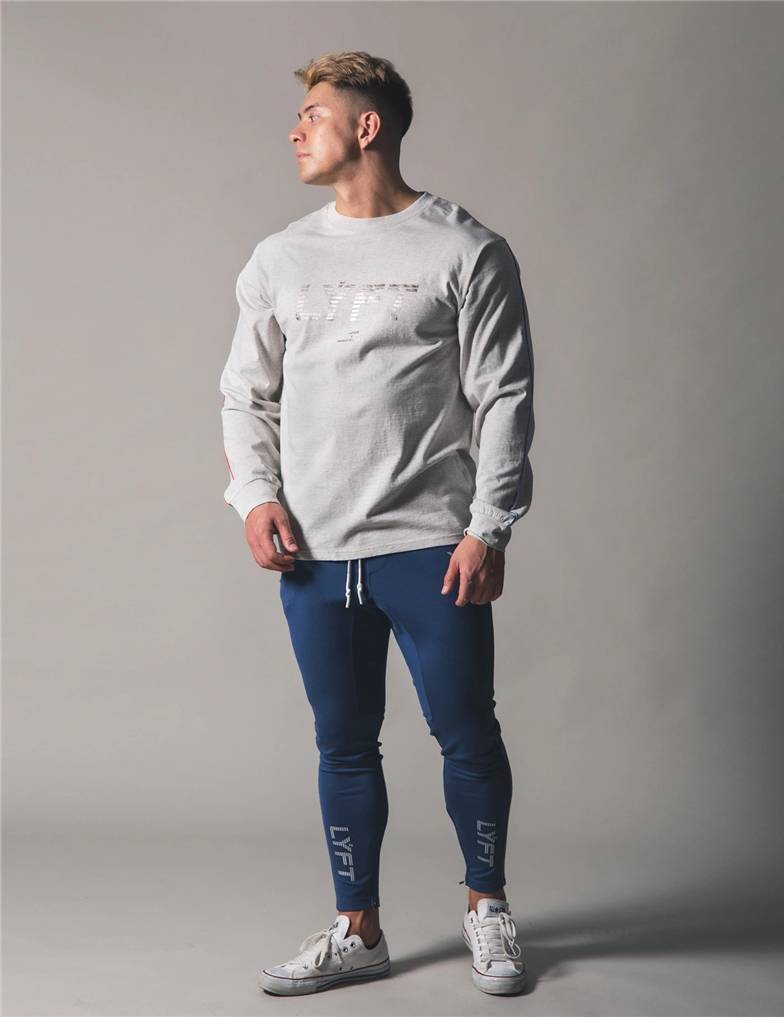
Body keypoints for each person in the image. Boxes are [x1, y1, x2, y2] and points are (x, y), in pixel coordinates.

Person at [219, 50, 534, 997]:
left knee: (466, 732)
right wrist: (255, 496)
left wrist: (490, 525)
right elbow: (245, 396)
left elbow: (505, 396)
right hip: (314, 555)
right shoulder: (279, 258)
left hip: (431, 546)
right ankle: (359, 929)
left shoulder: (465, 250)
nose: (294, 130)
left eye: (313, 114)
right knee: (343, 744)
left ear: (367, 126)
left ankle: (487, 907)